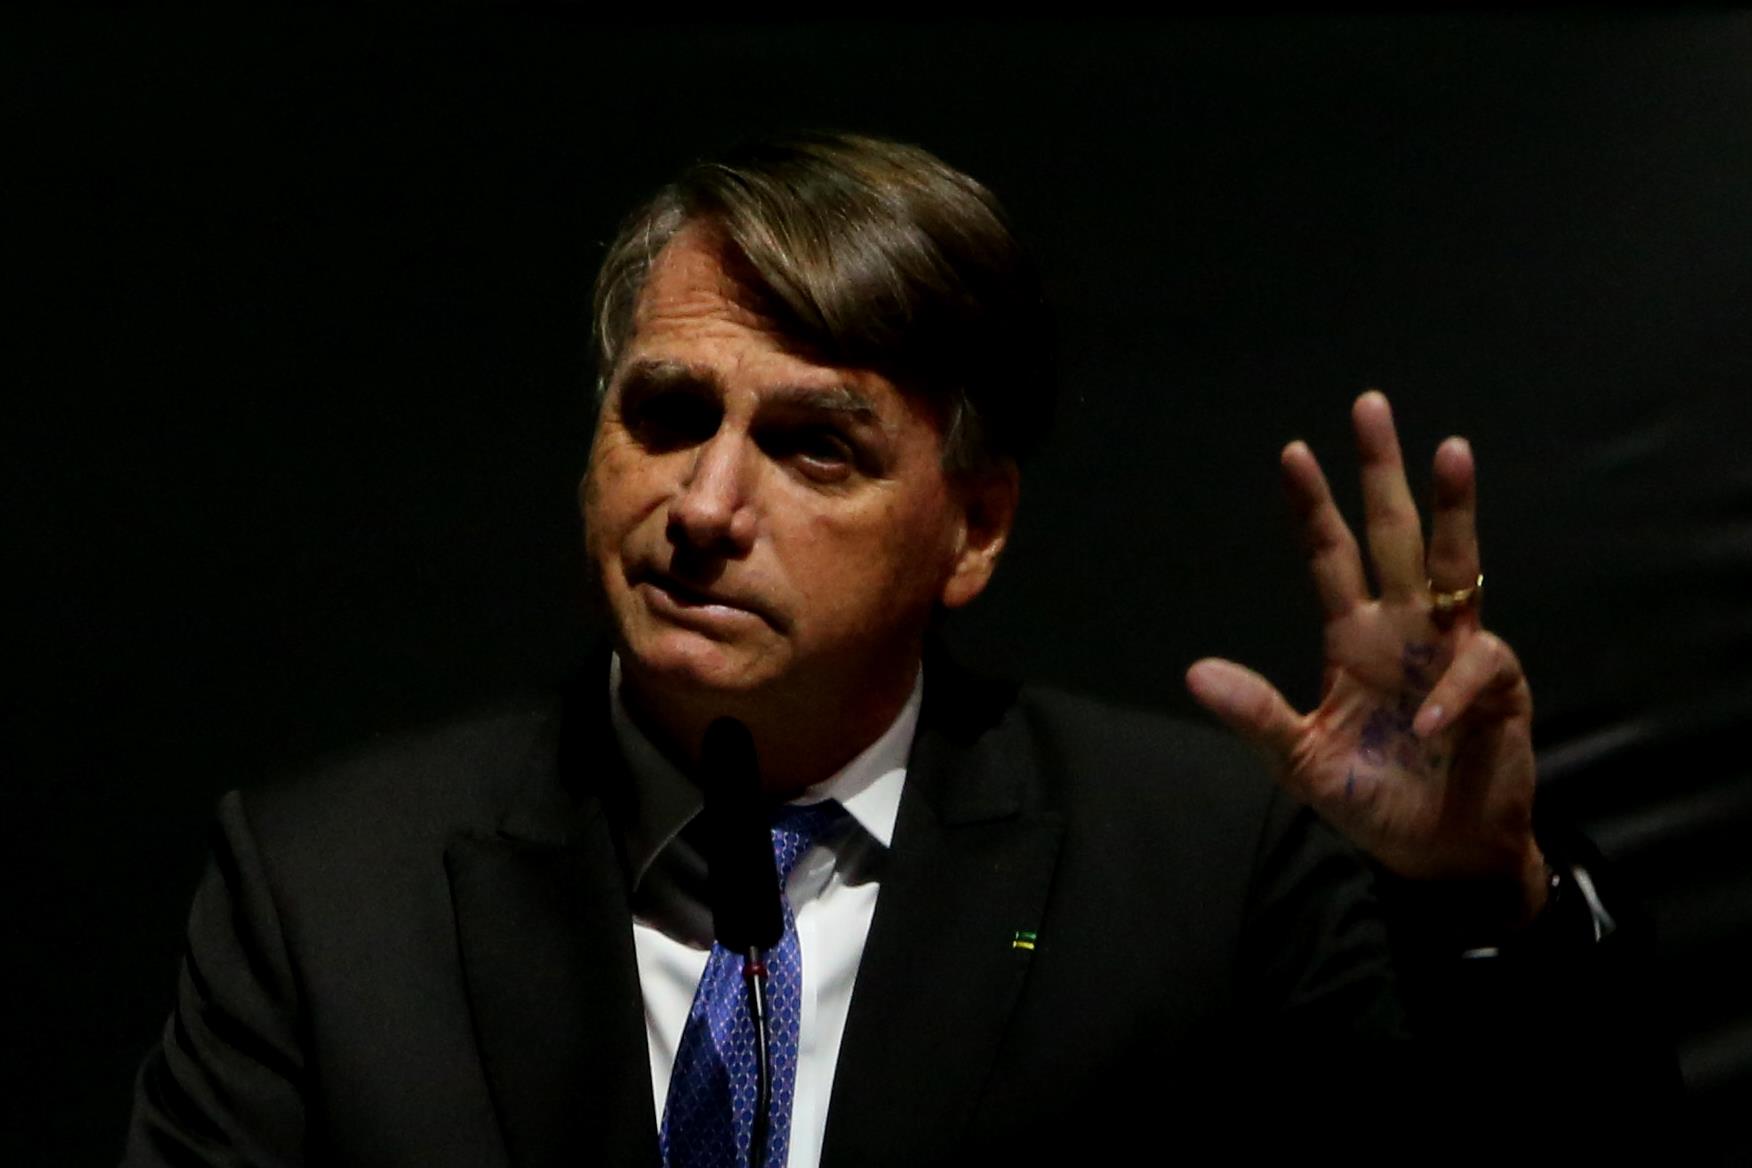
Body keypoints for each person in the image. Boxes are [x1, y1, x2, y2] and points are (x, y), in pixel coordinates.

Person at [124, 133, 1657, 1168]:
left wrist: (1484, 901)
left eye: (814, 447)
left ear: (972, 530)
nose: (704, 507)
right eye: (667, 416)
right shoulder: (328, 895)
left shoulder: (1207, 874)